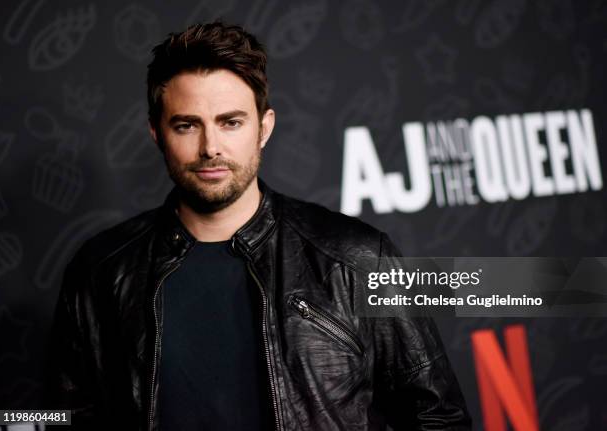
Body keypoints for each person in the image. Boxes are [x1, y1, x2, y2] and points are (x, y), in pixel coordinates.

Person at [45, 22, 471, 430]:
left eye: (231, 122)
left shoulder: (356, 258)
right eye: (186, 125)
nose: (210, 148)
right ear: (157, 133)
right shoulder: (101, 272)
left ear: (263, 128)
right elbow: (60, 420)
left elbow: (437, 417)